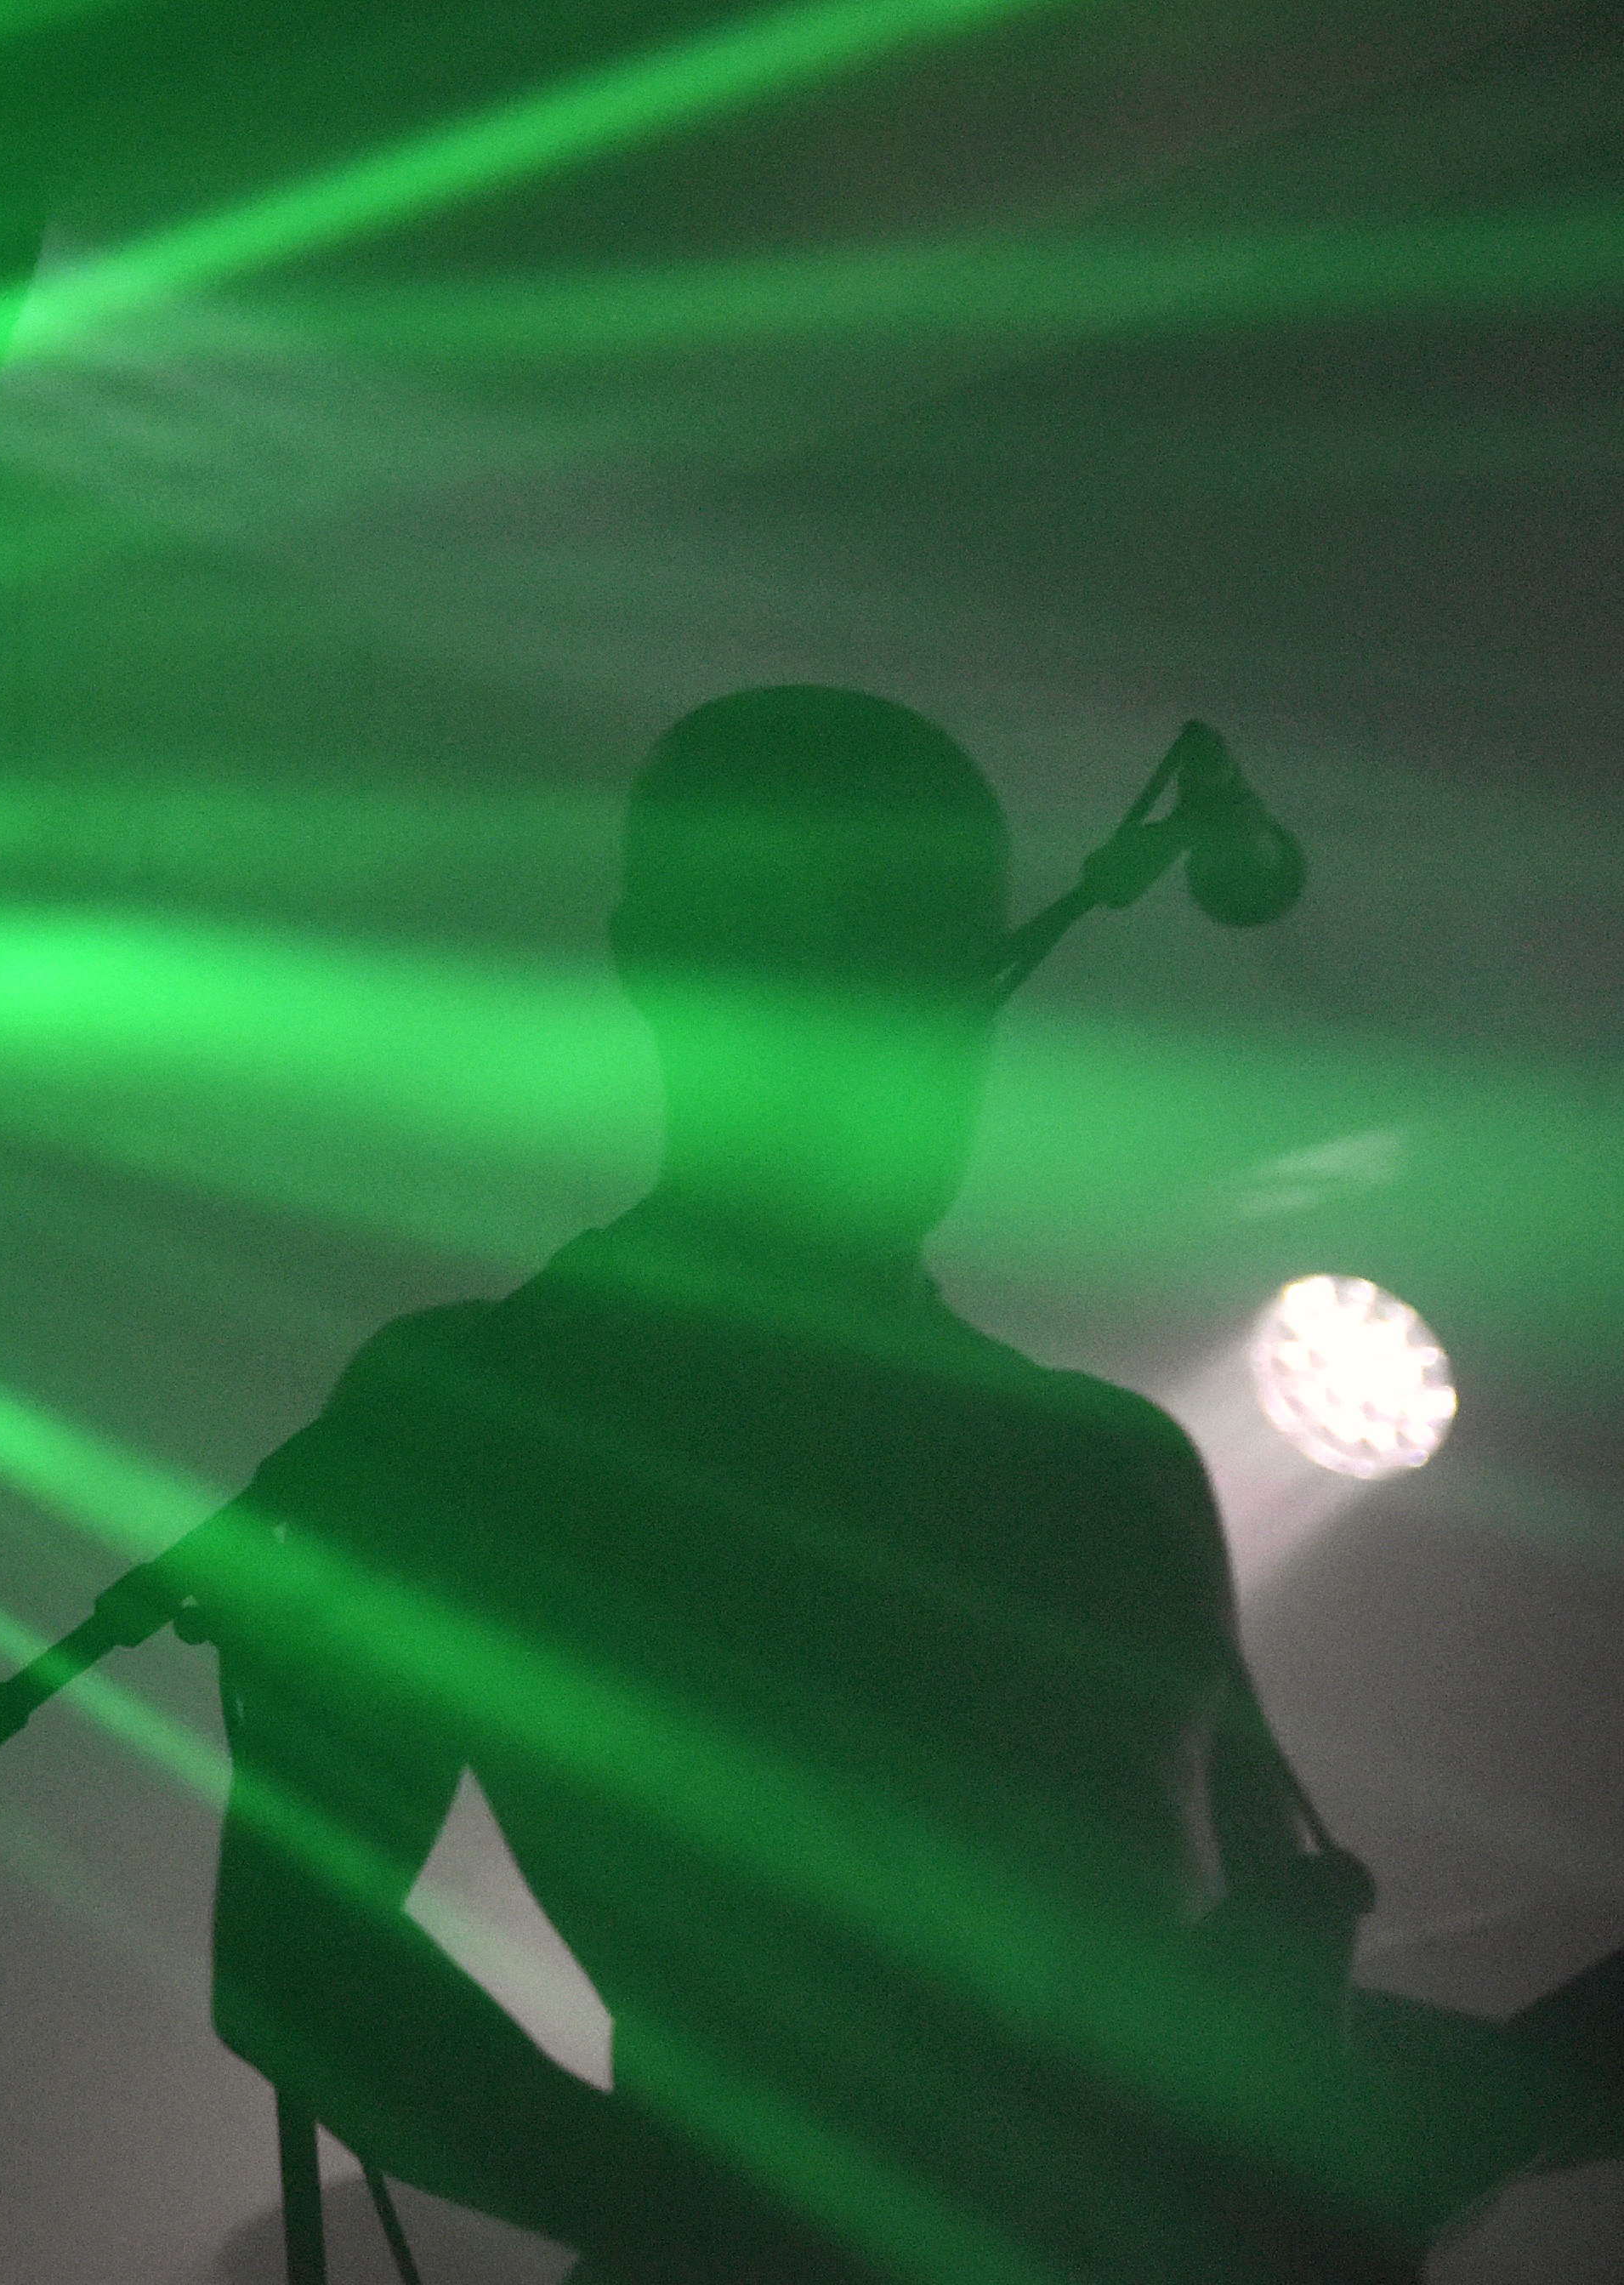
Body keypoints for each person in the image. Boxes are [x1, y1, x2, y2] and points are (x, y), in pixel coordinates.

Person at [185, 687, 1428, 2282]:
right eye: (792, 938)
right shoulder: (491, 1413)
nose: (871, 996)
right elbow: (300, 1970)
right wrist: (746, 2227)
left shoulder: (1122, 1462)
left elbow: (1260, 2003)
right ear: (652, 963)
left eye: (922, 943)